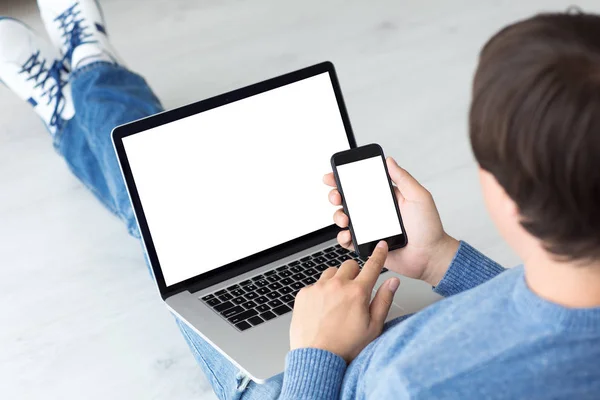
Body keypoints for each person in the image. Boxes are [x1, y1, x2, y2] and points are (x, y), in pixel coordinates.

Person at [2, 1, 599, 398]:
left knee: (163, 222)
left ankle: (88, 79)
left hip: (310, 379)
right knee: (167, 214)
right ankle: (78, 95)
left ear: (499, 191)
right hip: (366, 340)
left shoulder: (407, 381)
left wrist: (316, 352)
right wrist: (443, 259)